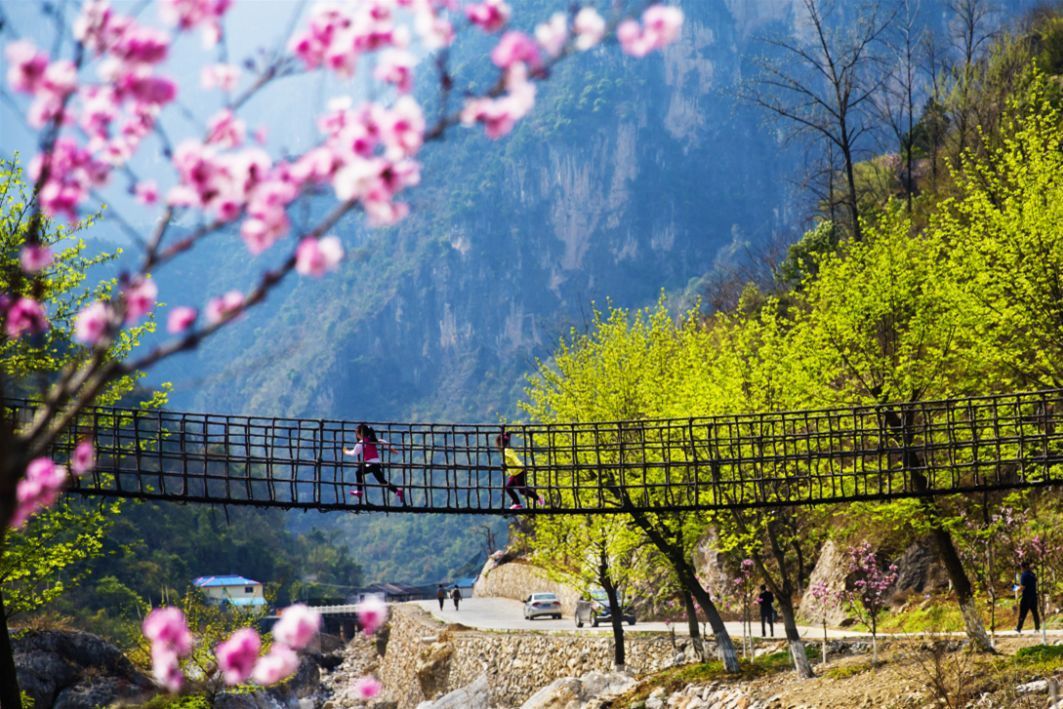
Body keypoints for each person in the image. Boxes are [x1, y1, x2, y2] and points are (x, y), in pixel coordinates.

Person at [344, 423, 404, 503]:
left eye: (356, 433)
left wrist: (346, 451)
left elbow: (354, 453)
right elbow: (383, 441)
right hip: (376, 464)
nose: (356, 435)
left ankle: (359, 491)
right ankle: (397, 491)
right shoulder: (372, 440)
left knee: (358, 472)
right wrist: (391, 448)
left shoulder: (361, 443)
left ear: (360, 433)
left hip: (371, 464)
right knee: (382, 481)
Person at [496, 432, 543, 510]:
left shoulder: (507, 451)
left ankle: (538, 498)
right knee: (508, 488)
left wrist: (522, 466)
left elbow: (515, 459)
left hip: (518, 472)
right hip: (514, 474)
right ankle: (517, 504)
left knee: (522, 490)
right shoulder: (505, 450)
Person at [1016, 561, 1040, 633]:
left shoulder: (1024, 575)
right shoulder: (1032, 574)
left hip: (1026, 597)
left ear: (1022, 567)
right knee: (1035, 613)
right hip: (1034, 596)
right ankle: (1037, 628)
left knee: (1022, 613)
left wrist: (1015, 588)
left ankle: (1019, 628)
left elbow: (1023, 587)